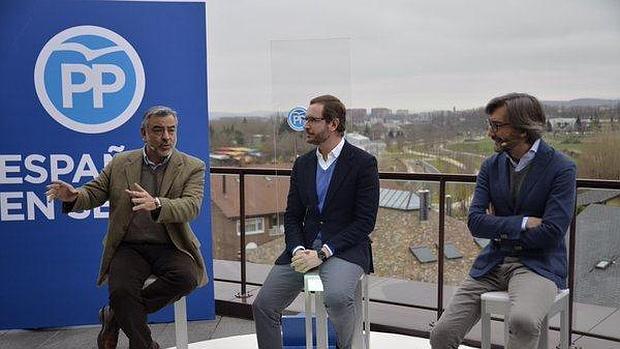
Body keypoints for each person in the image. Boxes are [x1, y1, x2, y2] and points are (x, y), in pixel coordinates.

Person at [46, 106, 207, 349]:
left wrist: (157, 204)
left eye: (171, 130)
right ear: (143, 133)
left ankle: (115, 315)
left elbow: (191, 206)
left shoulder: (192, 166)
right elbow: (95, 192)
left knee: (186, 278)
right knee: (121, 292)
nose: (166, 137)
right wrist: (74, 197)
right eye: (158, 130)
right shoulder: (121, 162)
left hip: (169, 244)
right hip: (129, 246)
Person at [430, 93, 577, 349]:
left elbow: (552, 232)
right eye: (490, 125)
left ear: (523, 128)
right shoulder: (490, 166)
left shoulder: (561, 168)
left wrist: (497, 225)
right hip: (493, 262)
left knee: (523, 321)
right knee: (441, 333)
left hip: (538, 265)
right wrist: (522, 222)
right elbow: (475, 221)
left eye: (497, 126)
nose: (490, 133)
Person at [252, 95, 380, 349]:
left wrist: (323, 253)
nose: (305, 125)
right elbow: (292, 216)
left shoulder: (363, 163)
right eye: (305, 119)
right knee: (263, 305)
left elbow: (365, 222)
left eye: (312, 119)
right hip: (304, 248)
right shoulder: (303, 164)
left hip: (344, 249)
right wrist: (298, 249)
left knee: (337, 298)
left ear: (333, 124)